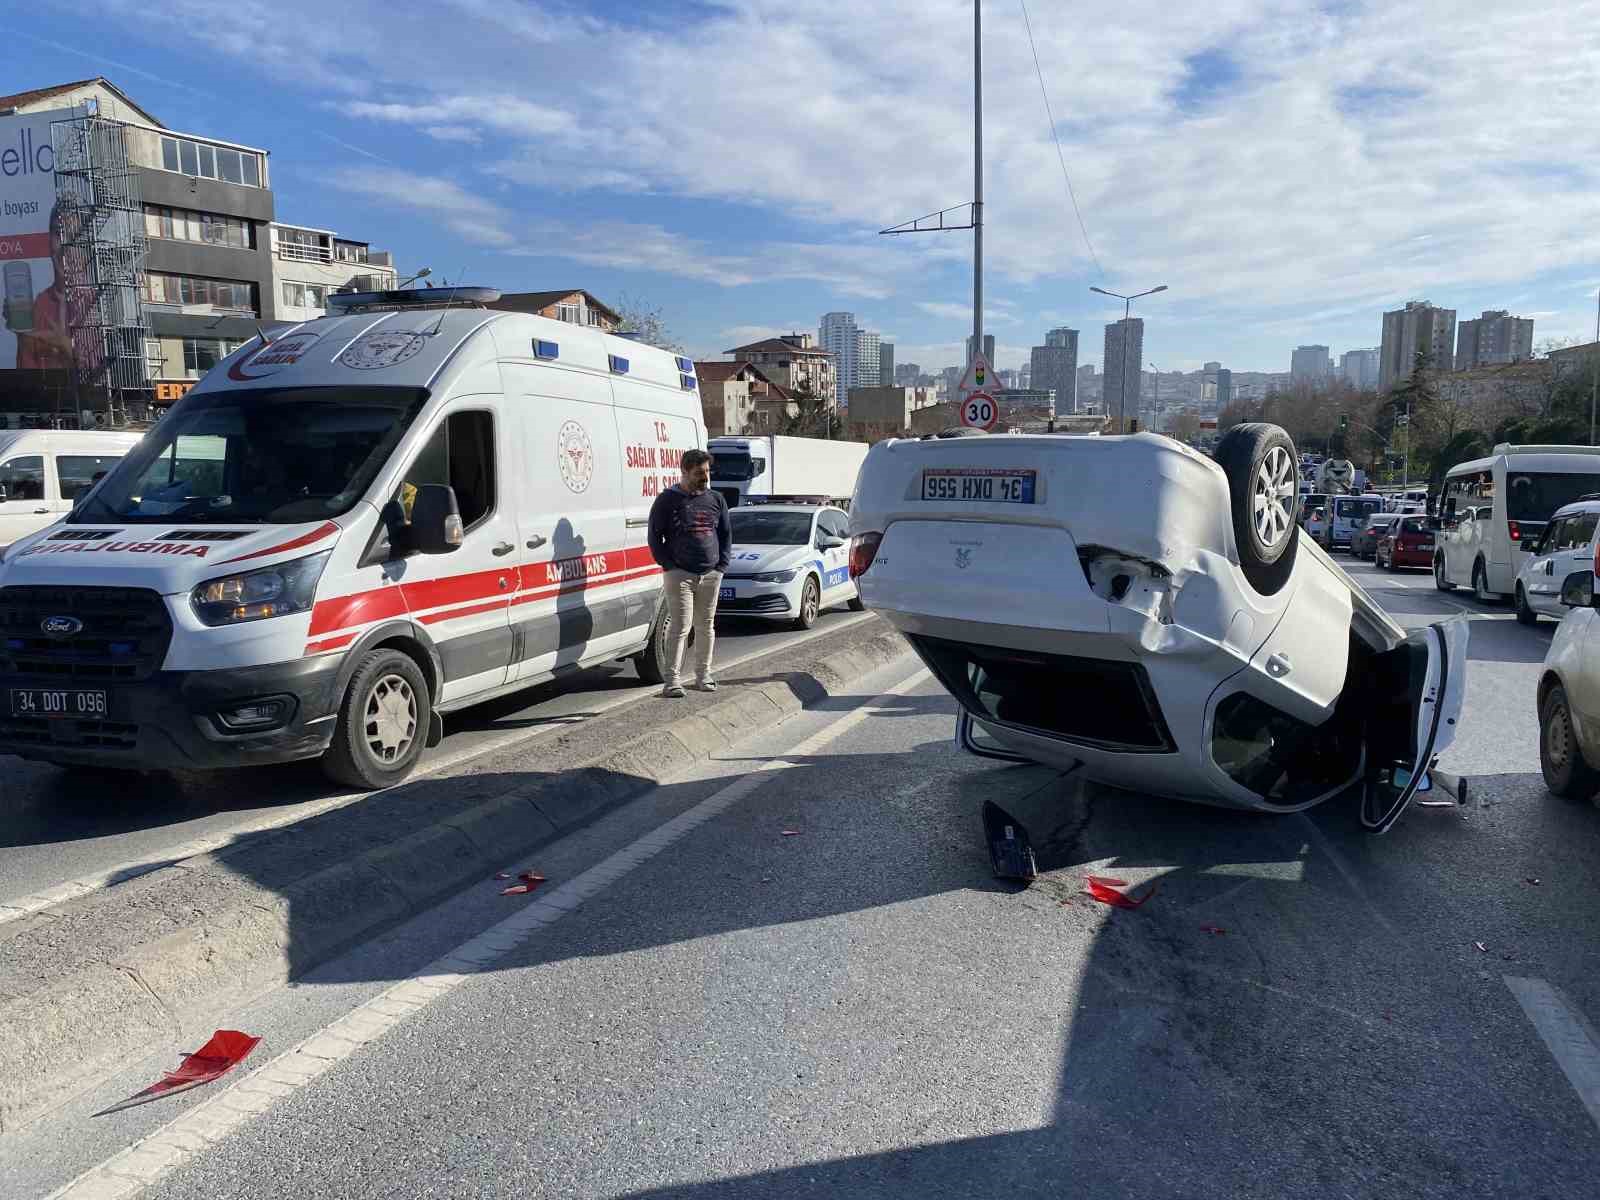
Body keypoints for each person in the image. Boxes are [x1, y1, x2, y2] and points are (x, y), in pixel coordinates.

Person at [647, 448, 731, 698]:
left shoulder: (716, 499)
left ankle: (703, 676)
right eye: (699, 473)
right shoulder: (667, 500)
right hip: (679, 574)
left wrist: (721, 566)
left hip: (711, 574)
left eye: (707, 471)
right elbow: (654, 536)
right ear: (684, 471)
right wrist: (668, 565)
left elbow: (725, 534)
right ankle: (672, 681)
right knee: (680, 627)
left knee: (706, 626)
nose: (705, 477)